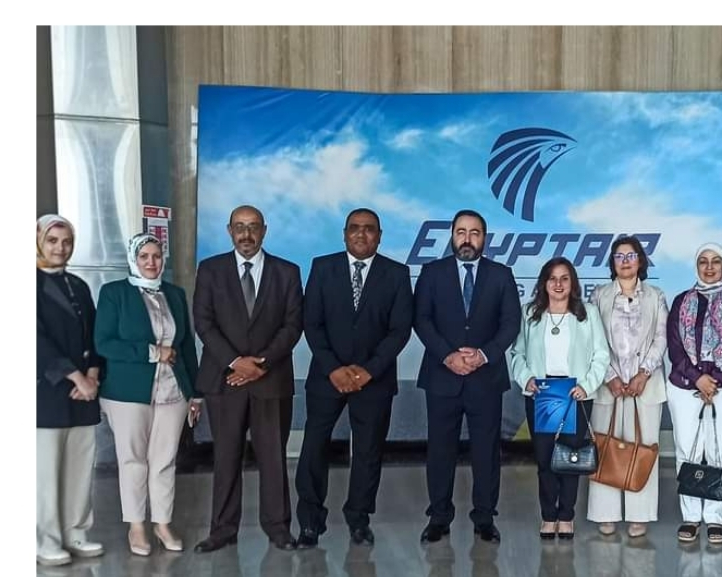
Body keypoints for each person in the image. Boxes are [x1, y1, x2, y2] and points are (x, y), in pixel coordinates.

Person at [295, 208, 413, 547]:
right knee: (314, 448)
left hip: (374, 380)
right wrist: (334, 368)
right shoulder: (322, 267)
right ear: (344, 234)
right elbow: (311, 322)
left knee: (368, 451)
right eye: (354, 228)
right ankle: (310, 523)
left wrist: (369, 370)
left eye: (369, 229)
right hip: (327, 377)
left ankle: (359, 519)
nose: (361, 234)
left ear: (380, 235)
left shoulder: (397, 273)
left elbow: (399, 330)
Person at [192, 205, 304, 552]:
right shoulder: (210, 270)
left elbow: (293, 325)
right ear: (229, 231)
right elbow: (203, 322)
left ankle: (278, 528)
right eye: (240, 227)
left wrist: (261, 364)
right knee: (226, 458)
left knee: (273, 458)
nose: (246, 234)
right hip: (224, 380)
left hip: (271, 379)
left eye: (253, 227)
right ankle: (223, 530)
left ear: (264, 230)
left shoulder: (287, 272)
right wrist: (236, 363)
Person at [414, 209, 521, 544]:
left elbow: (511, 323)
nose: (467, 239)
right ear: (452, 235)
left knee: (486, 452)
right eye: (461, 232)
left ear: (484, 238)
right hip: (442, 376)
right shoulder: (432, 273)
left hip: (485, 378)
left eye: (474, 233)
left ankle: (485, 518)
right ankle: (439, 517)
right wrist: (448, 356)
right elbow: (421, 319)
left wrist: (484, 355)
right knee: (440, 451)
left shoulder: (501, 275)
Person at [95, 233, 201, 555]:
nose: (151, 262)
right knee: (133, 461)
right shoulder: (114, 293)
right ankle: (137, 526)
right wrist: (153, 352)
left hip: (173, 391)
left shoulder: (174, 294)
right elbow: (104, 343)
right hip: (127, 392)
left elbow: (185, 345)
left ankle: (163, 524)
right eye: (144, 257)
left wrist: (195, 393)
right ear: (134, 259)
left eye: (156, 256)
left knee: (164, 461)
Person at [510, 258, 609, 540]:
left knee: (570, 458)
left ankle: (566, 516)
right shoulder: (530, 313)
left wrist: (586, 386)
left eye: (564, 278)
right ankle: (548, 516)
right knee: (545, 459)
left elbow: (601, 355)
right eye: (552, 278)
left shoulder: (587, 313)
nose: (558, 284)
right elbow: (517, 353)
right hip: (543, 392)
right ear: (544, 283)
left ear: (572, 283)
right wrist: (526, 379)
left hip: (574, 393)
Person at [586, 236, 669, 539]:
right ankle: (605, 513)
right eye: (619, 256)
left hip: (645, 385)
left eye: (630, 255)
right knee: (605, 447)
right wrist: (610, 375)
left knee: (643, 448)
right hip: (609, 384)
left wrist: (643, 374)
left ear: (640, 261)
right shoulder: (599, 295)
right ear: (612, 262)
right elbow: (592, 338)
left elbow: (661, 338)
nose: (625, 261)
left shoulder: (656, 296)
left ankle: (639, 514)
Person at [666, 242, 722, 546]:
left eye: (716, 262)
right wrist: (698, 378)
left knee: (719, 452)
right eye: (703, 261)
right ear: (696, 266)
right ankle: (690, 516)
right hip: (684, 384)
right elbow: (675, 348)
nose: (709, 267)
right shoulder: (681, 301)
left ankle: (715, 518)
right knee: (687, 451)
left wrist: (713, 382)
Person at [36, 215, 104, 566]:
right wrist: (76, 377)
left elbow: (95, 335)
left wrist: (92, 374)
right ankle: (44, 540)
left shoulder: (78, 285)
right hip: (46, 394)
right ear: (38, 242)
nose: (60, 248)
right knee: (45, 472)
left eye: (66, 242)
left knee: (79, 468)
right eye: (52, 241)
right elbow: (35, 340)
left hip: (83, 394)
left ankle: (76, 531)